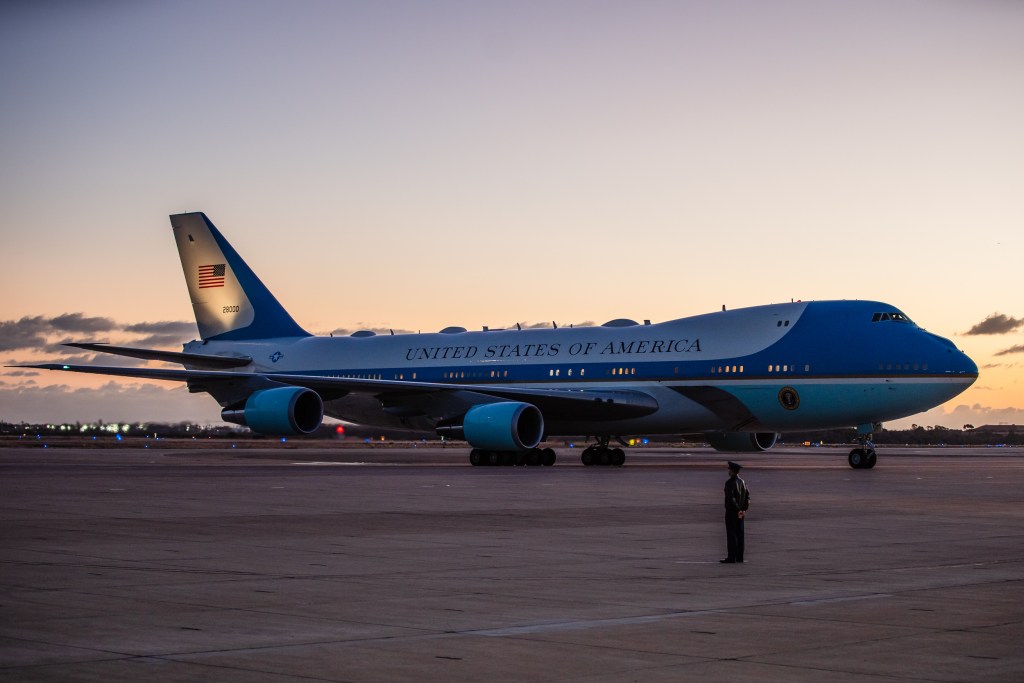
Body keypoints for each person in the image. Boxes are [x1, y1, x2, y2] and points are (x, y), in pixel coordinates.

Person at [721, 461, 749, 563]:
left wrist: (737, 509)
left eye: (729, 469)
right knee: (740, 534)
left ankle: (731, 557)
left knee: (731, 535)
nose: (728, 471)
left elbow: (731, 498)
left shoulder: (729, 483)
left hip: (732, 512)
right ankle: (740, 557)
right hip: (741, 512)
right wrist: (743, 509)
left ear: (732, 471)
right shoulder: (743, 482)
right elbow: (747, 497)